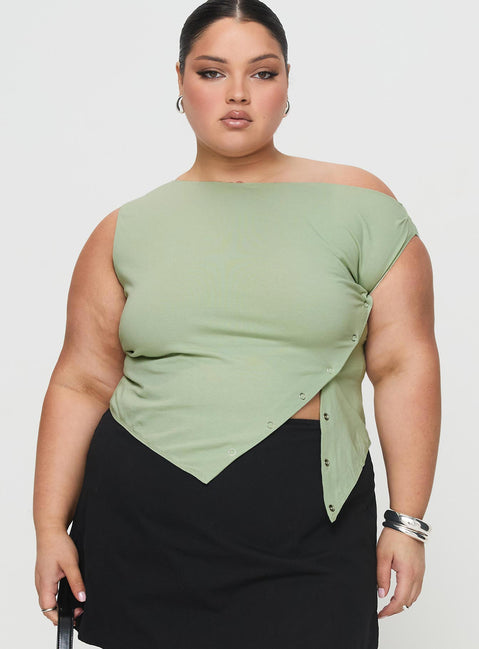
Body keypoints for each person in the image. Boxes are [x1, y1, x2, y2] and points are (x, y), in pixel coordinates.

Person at [33, 1, 441, 648]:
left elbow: (403, 363)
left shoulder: (363, 206)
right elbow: (80, 382)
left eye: (262, 72)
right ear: (180, 80)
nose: (238, 94)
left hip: (308, 523)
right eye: (212, 71)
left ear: (287, 83)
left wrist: (406, 522)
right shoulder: (124, 229)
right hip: (142, 519)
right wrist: (50, 528)